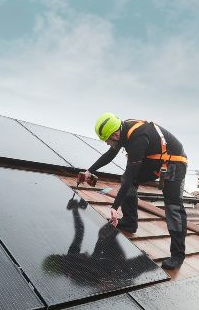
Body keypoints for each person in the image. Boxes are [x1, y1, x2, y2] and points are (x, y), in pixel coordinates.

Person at [80, 113, 188, 270]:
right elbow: (110, 154)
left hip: (174, 163)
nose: (108, 144)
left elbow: (131, 175)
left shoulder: (137, 138)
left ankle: (178, 255)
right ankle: (130, 222)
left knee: (173, 207)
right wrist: (89, 170)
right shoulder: (123, 131)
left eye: (108, 140)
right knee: (125, 180)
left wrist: (115, 207)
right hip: (155, 161)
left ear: (116, 134)